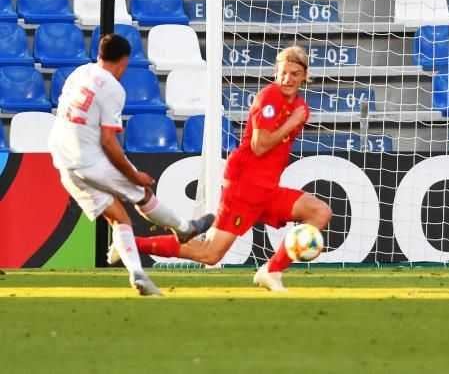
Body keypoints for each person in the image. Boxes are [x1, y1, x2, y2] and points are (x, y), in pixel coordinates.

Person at [118, 46, 332, 292]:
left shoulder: (300, 107)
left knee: (320, 212)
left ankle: (271, 271)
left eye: (294, 74)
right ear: (276, 72)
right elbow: (260, 145)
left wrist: (294, 118)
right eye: (283, 73)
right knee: (210, 254)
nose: (287, 79)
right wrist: (292, 121)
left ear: (305, 76)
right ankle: (130, 245)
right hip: (245, 185)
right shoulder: (271, 97)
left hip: (267, 187)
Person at [48, 34, 213, 296]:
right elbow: (108, 141)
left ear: (99, 54)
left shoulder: (80, 73)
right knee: (143, 194)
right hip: (89, 159)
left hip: (62, 157)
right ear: (124, 61)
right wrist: (134, 175)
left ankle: (137, 274)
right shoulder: (112, 88)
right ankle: (184, 228)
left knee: (119, 218)